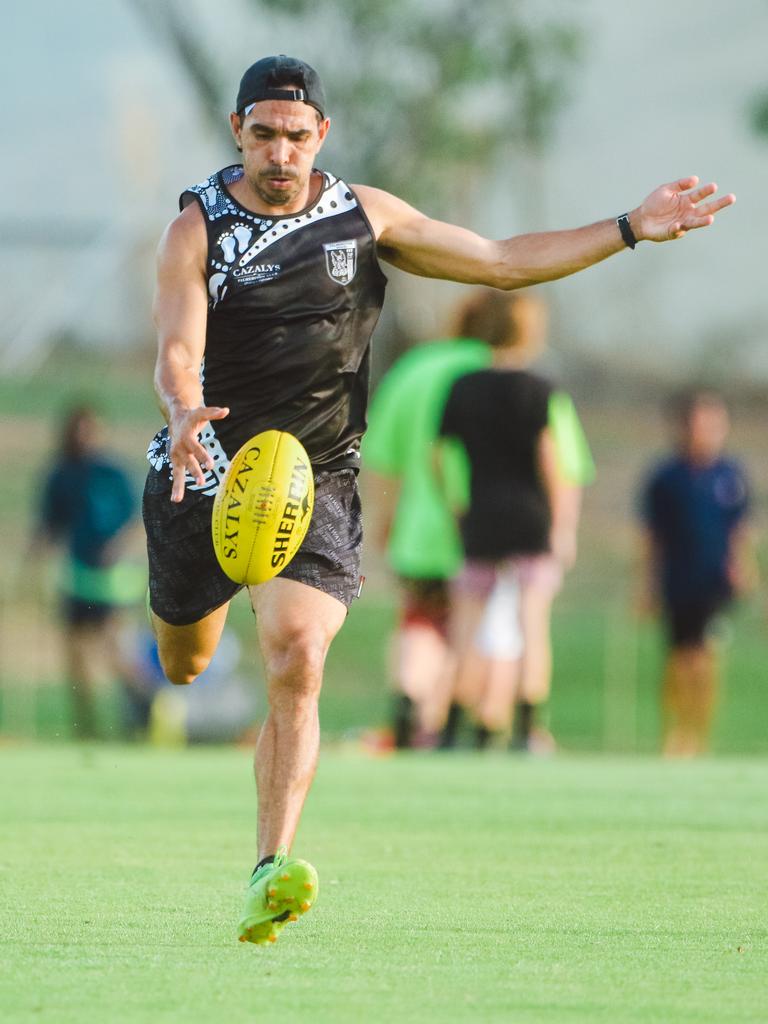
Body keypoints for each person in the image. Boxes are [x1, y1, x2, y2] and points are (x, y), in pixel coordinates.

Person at [142, 52, 734, 945]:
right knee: (185, 662)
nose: (279, 153)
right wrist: (184, 409)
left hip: (315, 479)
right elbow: (177, 347)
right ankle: (194, 634)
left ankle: (269, 868)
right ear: (237, 132)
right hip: (204, 464)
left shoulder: (362, 216)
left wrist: (627, 227)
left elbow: (499, 262)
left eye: (296, 136)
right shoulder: (197, 228)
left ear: (321, 136)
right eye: (262, 134)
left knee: (298, 653)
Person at [436, 290, 595, 751]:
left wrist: (457, 505)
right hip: (530, 519)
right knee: (531, 622)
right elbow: (552, 463)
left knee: (467, 622)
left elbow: (440, 456)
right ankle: (528, 727)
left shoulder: (462, 386)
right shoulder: (539, 389)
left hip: (482, 516)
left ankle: (453, 724)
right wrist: (562, 526)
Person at [363, 296, 491, 749]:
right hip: (485, 528)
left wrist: (386, 517)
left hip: (417, 531)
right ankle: (447, 721)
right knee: (472, 626)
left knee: (419, 621)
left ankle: (409, 697)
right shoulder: (504, 370)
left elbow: (383, 454)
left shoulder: (416, 369)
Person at [637, 390, 756, 757]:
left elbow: (740, 530)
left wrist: (744, 567)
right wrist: (646, 583)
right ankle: (675, 734)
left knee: (704, 657)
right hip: (677, 577)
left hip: (713, 581)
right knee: (677, 659)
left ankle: (699, 733)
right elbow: (651, 537)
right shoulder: (665, 477)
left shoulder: (730, 475)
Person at [32, 404, 147, 738]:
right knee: (76, 658)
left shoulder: (114, 474)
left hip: (114, 582)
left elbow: (137, 519)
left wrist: (119, 548)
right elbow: (49, 524)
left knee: (117, 651)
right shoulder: (61, 474)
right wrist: (34, 559)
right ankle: (87, 729)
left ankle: (141, 714)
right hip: (78, 578)